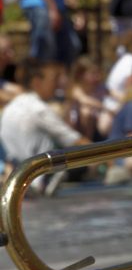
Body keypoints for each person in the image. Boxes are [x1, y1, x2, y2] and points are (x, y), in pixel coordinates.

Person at [0, 59, 89, 194]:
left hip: (15, 177)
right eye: (53, 80)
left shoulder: (10, 108)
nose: (55, 85)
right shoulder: (38, 108)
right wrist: (108, 159)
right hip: (39, 178)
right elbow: (75, 140)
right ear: (37, 82)